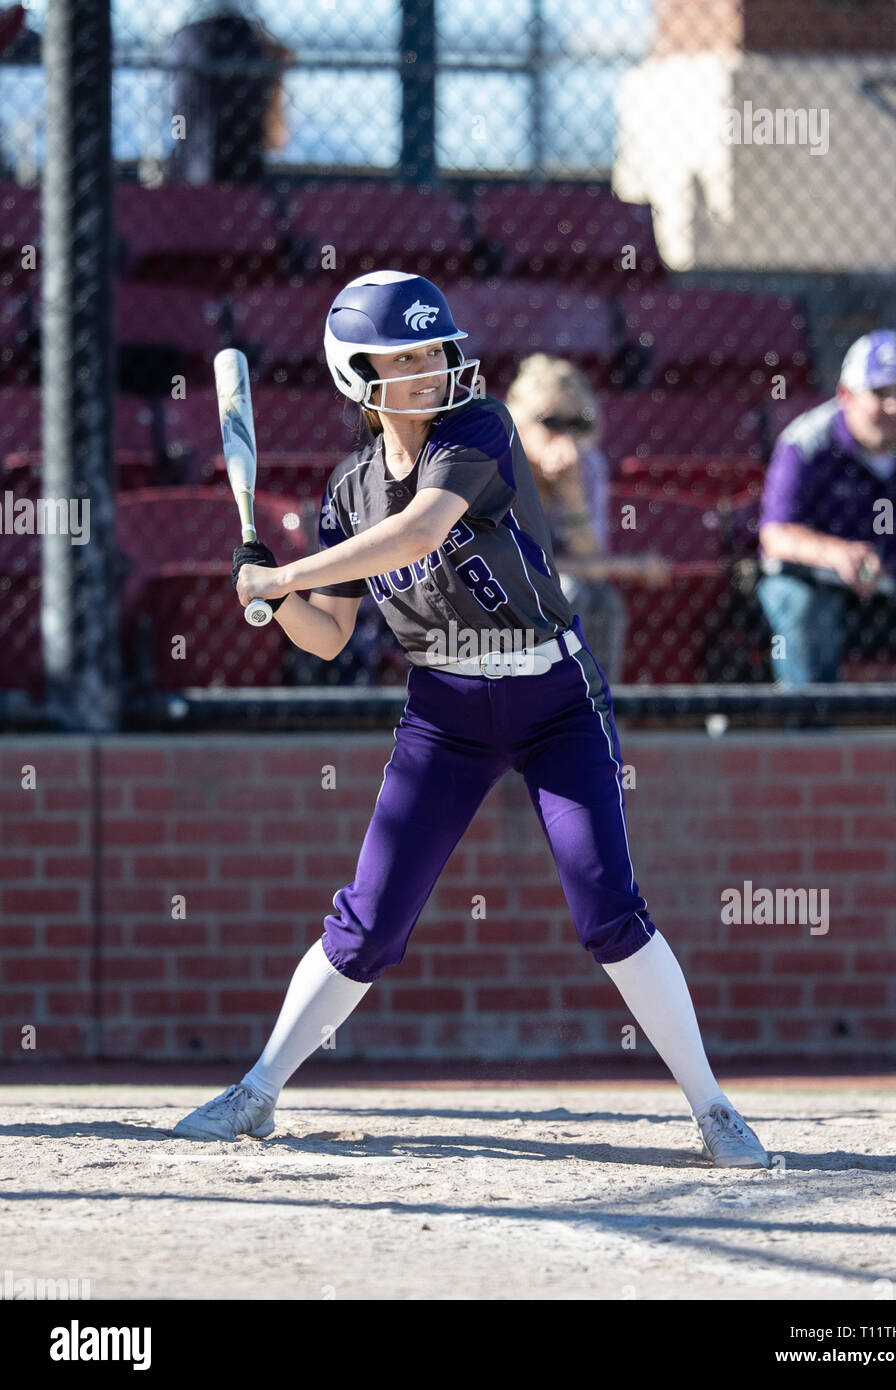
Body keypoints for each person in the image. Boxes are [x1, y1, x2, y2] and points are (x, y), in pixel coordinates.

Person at [171, 270, 769, 1169]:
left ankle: (714, 1110)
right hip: (444, 710)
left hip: (553, 696)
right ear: (357, 373)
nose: (428, 367)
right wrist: (268, 592)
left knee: (607, 905)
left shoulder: (479, 430)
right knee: (369, 921)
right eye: (402, 357)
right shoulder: (347, 493)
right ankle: (257, 1090)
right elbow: (329, 636)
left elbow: (419, 532)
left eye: (432, 349)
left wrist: (287, 576)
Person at [757, 329, 896, 684]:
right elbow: (776, 534)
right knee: (793, 598)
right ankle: (811, 731)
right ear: (845, 395)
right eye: (881, 393)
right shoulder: (807, 443)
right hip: (835, 590)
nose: (894, 407)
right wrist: (837, 554)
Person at [505, 355, 669, 683]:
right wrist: (632, 567)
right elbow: (526, 570)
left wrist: (571, 492)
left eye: (577, 424)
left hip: (559, 583)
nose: (565, 438)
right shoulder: (500, 467)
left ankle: (599, 713)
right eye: (551, 423)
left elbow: (590, 560)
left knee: (603, 599)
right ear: (519, 423)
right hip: (493, 595)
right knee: (568, 592)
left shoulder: (588, 466)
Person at [164, 2, 292, 185]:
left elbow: (179, 114)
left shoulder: (186, 40)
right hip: (239, 175)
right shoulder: (252, 42)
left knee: (185, 121)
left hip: (194, 37)